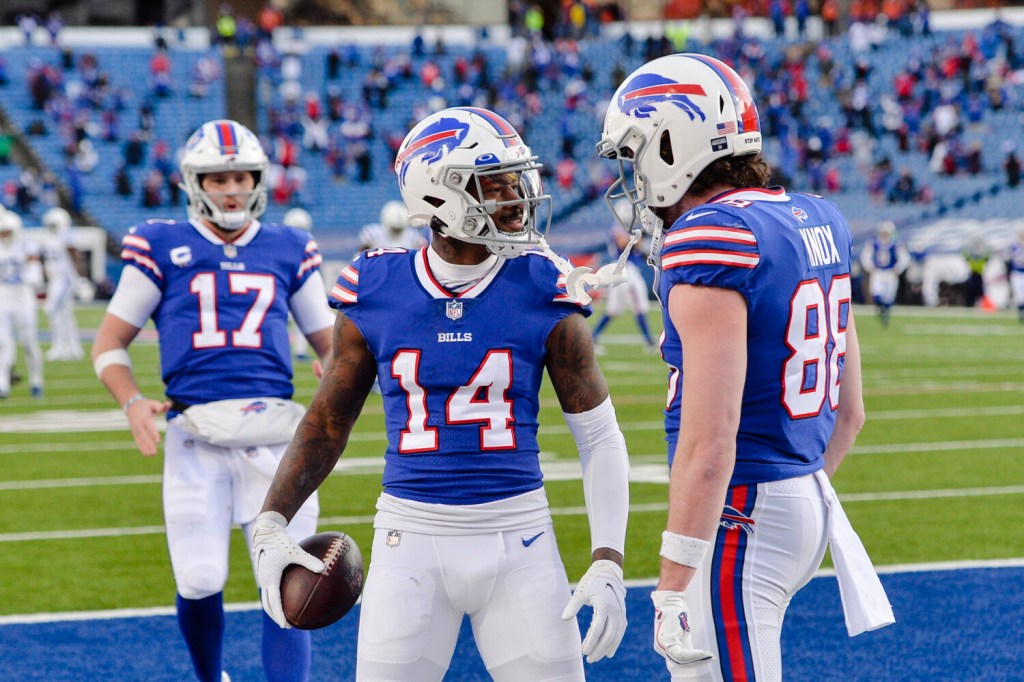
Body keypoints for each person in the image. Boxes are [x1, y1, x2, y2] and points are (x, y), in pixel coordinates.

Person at [250, 106, 631, 681]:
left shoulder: (543, 285)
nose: (518, 197)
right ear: (440, 196)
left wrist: (608, 561)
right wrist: (272, 520)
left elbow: (600, 436)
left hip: (521, 536)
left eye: (516, 180)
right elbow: (329, 421)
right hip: (410, 541)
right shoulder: (374, 287)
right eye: (495, 184)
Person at [597, 54, 894, 680]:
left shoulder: (711, 236)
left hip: (743, 510)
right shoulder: (818, 217)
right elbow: (852, 411)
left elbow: (710, 445)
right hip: (805, 494)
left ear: (674, 144)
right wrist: (795, 490)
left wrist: (671, 584)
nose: (631, 175)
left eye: (635, 153)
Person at [91, 119, 335, 682]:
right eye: (217, 176)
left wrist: (337, 365)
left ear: (258, 178)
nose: (230, 187)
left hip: (276, 437)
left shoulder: (289, 246)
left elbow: (329, 341)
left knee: (288, 579)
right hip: (194, 431)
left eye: (241, 175)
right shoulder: (160, 243)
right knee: (199, 578)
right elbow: (109, 344)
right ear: (193, 182)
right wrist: (132, 403)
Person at [591, 199, 657, 353]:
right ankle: (592, 338)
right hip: (621, 269)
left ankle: (648, 341)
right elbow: (622, 243)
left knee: (636, 305)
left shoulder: (630, 227)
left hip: (630, 269)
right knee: (617, 308)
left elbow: (639, 247)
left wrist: (638, 237)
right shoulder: (617, 227)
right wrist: (637, 236)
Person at [0, 208, 45, 398]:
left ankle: (36, 380)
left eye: (7, 231)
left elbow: (34, 268)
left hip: (23, 296)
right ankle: (3, 384)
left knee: (28, 342)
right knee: (2, 342)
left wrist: (33, 280)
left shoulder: (27, 244)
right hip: (3, 296)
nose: (4, 235)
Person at [39, 206, 85, 360]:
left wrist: (81, 278)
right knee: (64, 314)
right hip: (55, 279)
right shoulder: (47, 238)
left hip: (65, 278)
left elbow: (76, 258)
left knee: (51, 309)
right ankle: (72, 348)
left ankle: (61, 346)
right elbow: (45, 261)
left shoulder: (67, 237)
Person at [859, 220, 910, 326]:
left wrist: (898, 269)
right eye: (883, 232)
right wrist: (870, 268)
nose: (885, 235)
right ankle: (881, 310)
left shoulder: (896, 244)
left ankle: (885, 315)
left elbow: (905, 258)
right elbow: (865, 256)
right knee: (876, 294)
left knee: (889, 296)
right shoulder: (873, 242)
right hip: (878, 272)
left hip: (890, 273)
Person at [357, 198, 427, 251]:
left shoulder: (413, 236)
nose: (396, 231)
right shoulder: (372, 234)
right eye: (394, 229)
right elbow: (360, 257)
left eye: (398, 229)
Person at [1007, 227, 1024, 321]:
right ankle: (1021, 313)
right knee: (1019, 295)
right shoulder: (1013, 246)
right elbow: (1008, 259)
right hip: (1017, 273)